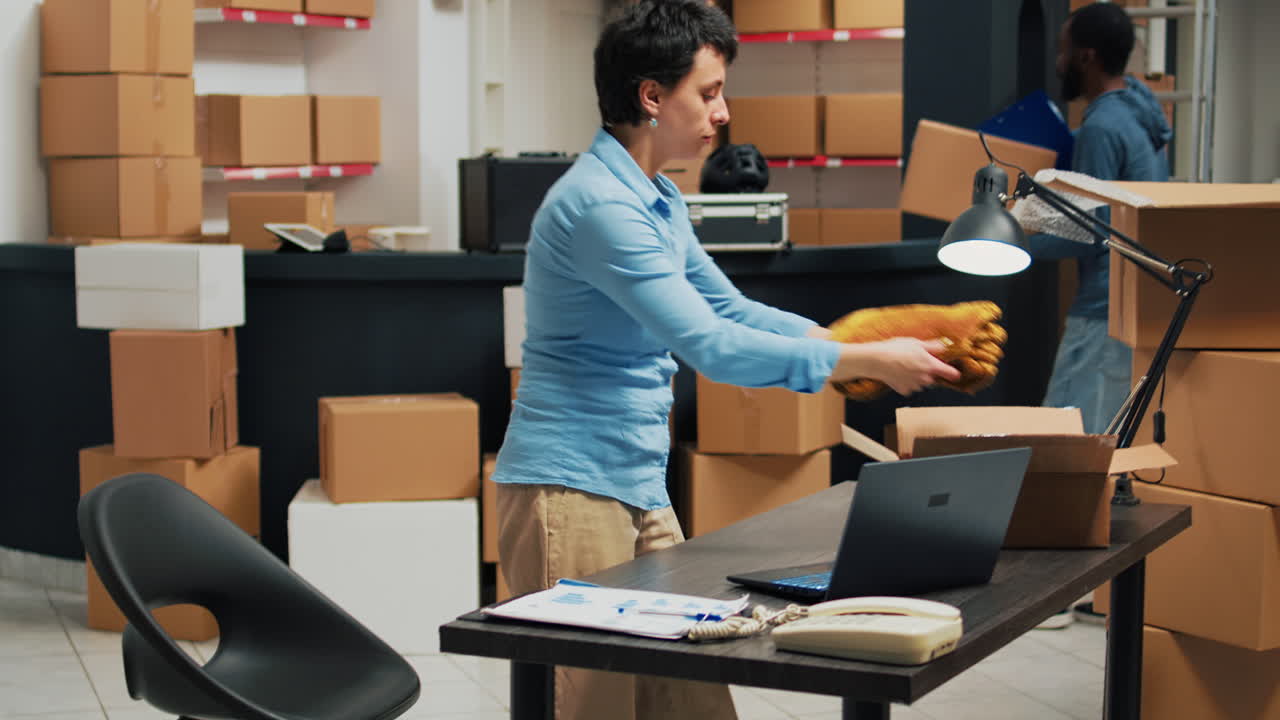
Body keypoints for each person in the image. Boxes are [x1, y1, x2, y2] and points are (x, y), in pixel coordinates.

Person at [490, 2, 961, 718]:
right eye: (708, 92)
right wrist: (861, 358)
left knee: (696, 703)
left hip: (634, 480)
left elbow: (731, 309)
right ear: (652, 96)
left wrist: (849, 344)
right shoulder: (599, 206)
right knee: (594, 706)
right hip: (570, 489)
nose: (723, 112)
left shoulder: (658, 198)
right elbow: (710, 345)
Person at [1034, 1, 1173, 630]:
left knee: (1066, 452)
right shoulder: (1143, 116)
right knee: (1104, 452)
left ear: (1086, 57)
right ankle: (1096, 589)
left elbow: (1088, 229)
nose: (1059, 59)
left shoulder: (1101, 128)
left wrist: (1018, 226)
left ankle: (1054, 593)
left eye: (1065, 48)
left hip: (1102, 311)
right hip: (1136, 306)